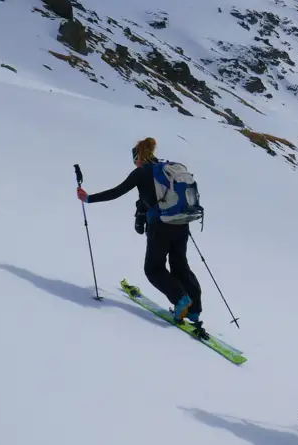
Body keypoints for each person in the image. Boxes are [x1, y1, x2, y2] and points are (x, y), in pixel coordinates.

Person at [76, 137, 203, 325]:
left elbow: (116, 192)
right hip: (181, 222)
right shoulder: (167, 169)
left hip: (160, 226)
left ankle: (180, 299)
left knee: (153, 269)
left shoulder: (141, 172)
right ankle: (194, 311)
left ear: (138, 156)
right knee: (180, 266)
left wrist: (89, 199)